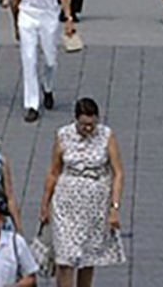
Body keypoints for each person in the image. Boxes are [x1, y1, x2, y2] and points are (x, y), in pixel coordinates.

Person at [39, 97, 124, 287]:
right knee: (65, 256)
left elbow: (117, 173)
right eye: (84, 124)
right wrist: (44, 204)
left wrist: (114, 207)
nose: (89, 129)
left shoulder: (106, 135)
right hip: (66, 203)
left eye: (92, 124)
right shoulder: (63, 135)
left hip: (95, 205)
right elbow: (53, 171)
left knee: (88, 257)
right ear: (76, 119)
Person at [9, 0, 75, 123]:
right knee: (28, 59)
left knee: (50, 59)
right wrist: (15, 24)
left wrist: (68, 18)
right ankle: (31, 104)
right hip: (27, 14)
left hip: (49, 15)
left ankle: (48, 87)